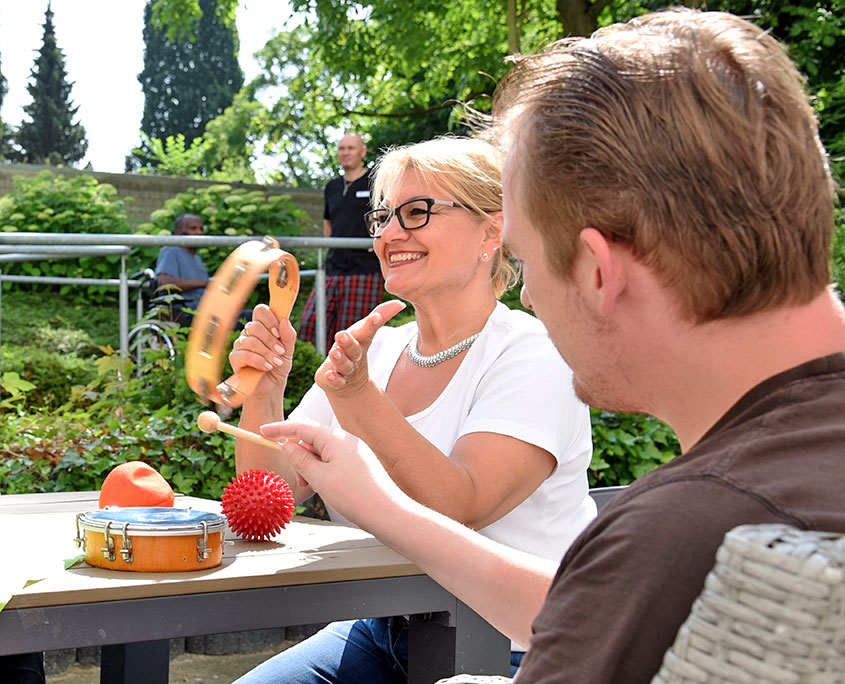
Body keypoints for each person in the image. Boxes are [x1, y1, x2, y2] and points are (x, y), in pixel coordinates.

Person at [254, 9, 845, 684]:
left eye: (527, 263)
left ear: (597, 273)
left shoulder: (685, 537)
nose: (527, 295)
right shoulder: (723, 534)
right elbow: (598, 612)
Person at [229, 137, 596, 683]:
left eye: (417, 212)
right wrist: (265, 386)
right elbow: (270, 497)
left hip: (517, 647)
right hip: (383, 628)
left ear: (492, 233)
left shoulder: (535, 353)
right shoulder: (375, 350)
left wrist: (357, 400)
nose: (390, 234)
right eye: (382, 217)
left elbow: (461, 503)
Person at [297, 132, 384, 350]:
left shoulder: (375, 182)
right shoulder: (332, 187)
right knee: (311, 326)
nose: (345, 153)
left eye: (351, 148)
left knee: (352, 335)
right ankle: (318, 378)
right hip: (333, 267)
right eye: (341, 148)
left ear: (362, 152)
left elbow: (386, 216)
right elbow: (328, 224)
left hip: (364, 268)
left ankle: (351, 382)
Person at [154, 213, 251, 328]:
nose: (199, 233)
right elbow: (163, 281)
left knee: (252, 315)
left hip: (207, 311)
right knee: (249, 318)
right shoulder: (171, 250)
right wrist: (205, 283)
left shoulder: (197, 259)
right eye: (193, 228)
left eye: (201, 229)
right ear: (178, 232)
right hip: (187, 314)